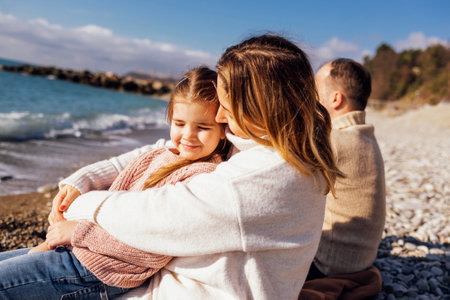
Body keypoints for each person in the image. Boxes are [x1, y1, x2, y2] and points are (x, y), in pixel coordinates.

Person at [0, 34, 341, 300]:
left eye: (226, 106)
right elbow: (160, 151)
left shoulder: (260, 178)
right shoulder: (280, 148)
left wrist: (79, 211)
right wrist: (82, 180)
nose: (220, 117)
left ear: (260, 105)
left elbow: (156, 216)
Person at [0, 66, 229, 296]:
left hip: (100, 271)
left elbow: (154, 245)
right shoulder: (160, 155)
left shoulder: (203, 178)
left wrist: (79, 232)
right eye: (179, 123)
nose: (188, 135)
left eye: (202, 127)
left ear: (223, 129)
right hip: (81, 251)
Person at [307, 58, 386, 280]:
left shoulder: (334, 141)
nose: (310, 97)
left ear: (335, 99)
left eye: (314, 89)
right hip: (361, 258)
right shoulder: (364, 135)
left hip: (329, 265)